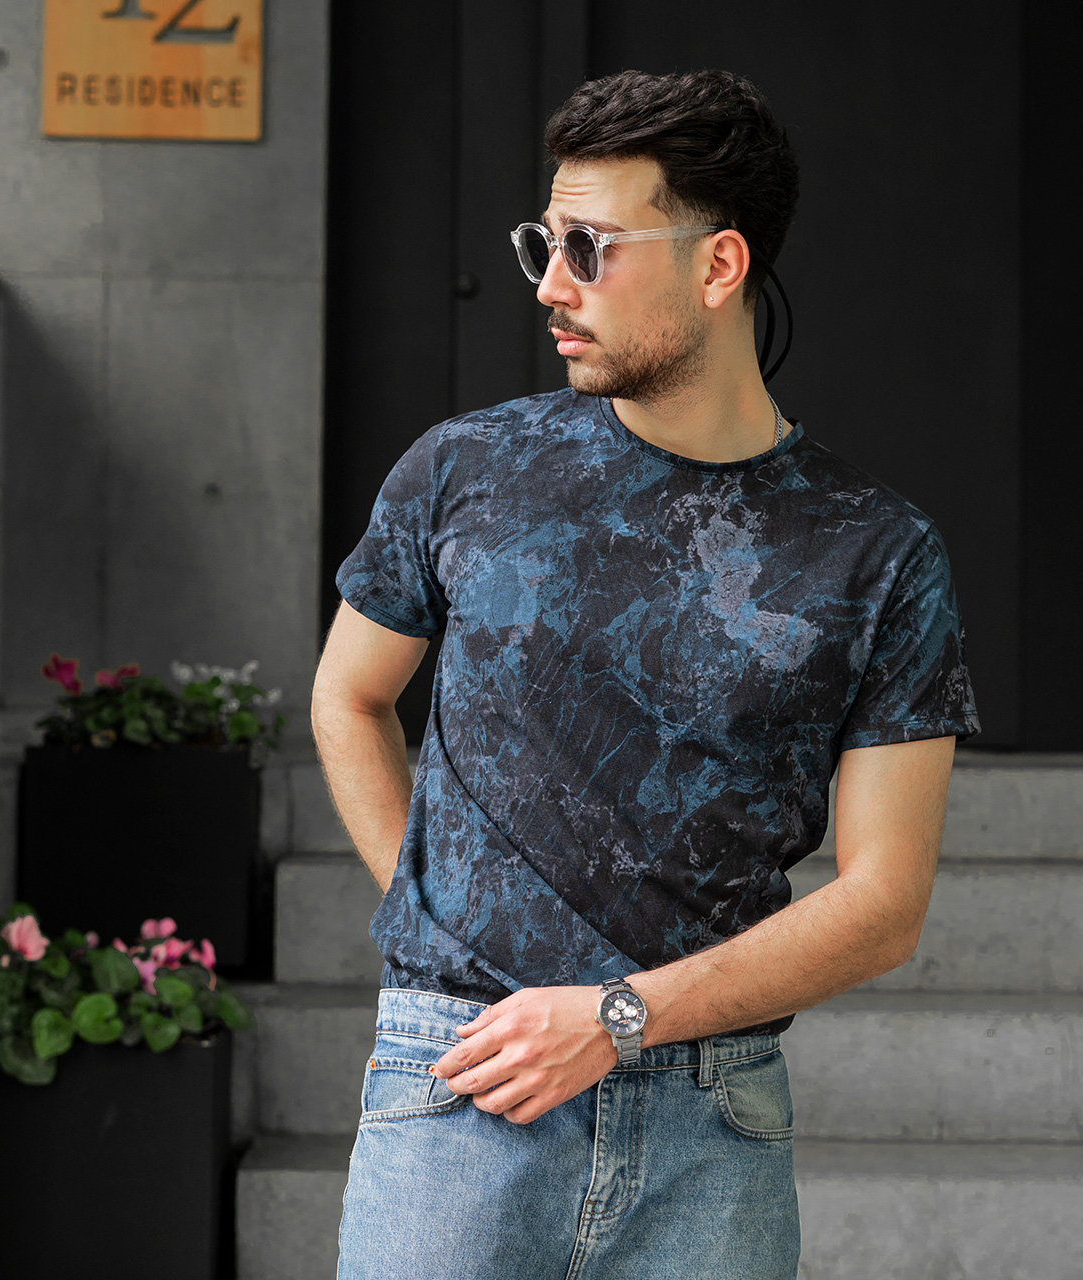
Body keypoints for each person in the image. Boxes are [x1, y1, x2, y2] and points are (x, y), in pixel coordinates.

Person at [313, 68, 979, 1280]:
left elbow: (883, 902)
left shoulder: (877, 551)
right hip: (466, 1072)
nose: (549, 285)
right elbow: (349, 696)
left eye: (588, 248)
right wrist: (438, 915)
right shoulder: (464, 469)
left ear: (717, 265)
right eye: (543, 243)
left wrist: (620, 1017)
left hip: (708, 1121)